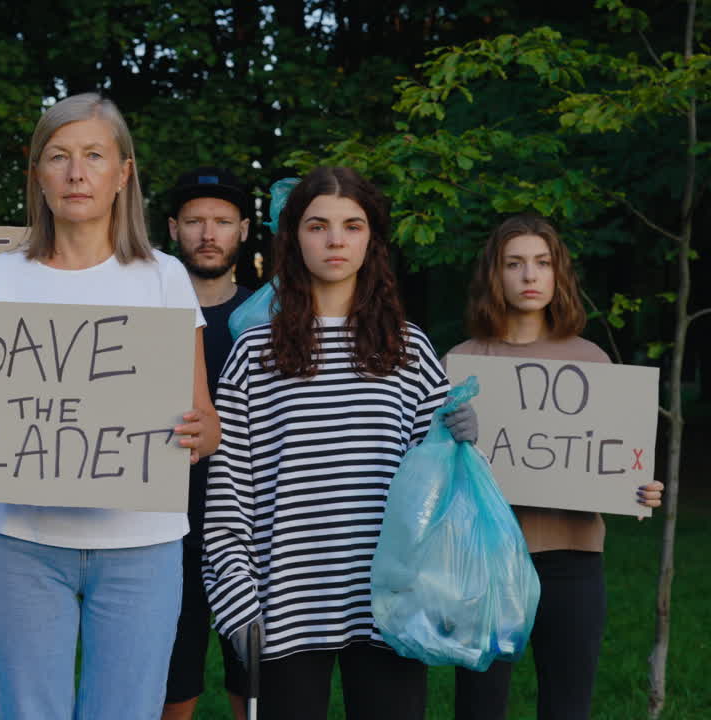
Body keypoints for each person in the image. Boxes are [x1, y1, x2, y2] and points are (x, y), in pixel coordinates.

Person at [0, 92, 222, 720]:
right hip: (17, 545)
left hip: (142, 546)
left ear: (123, 173)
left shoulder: (163, 276)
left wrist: (196, 433)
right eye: (59, 157)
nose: (77, 173)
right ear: (38, 174)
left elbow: (206, 423)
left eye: (94, 156)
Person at [201, 166, 476, 720]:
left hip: (390, 602)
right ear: (293, 238)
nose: (334, 240)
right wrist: (237, 600)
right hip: (283, 604)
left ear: (371, 240)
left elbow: (440, 489)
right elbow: (230, 492)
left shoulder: (409, 349)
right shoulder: (254, 352)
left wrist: (461, 444)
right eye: (317, 225)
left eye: (352, 226)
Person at [449, 214, 664, 720]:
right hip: (485, 560)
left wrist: (639, 488)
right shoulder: (461, 363)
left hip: (573, 560)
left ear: (558, 273)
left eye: (542, 263)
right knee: (479, 707)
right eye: (515, 264)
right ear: (494, 275)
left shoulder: (592, 361)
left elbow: (614, 459)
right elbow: (436, 474)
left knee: (567, 705)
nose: (530, 275)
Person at [161, 167, 255, 720]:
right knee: (174, 673)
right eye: (195, 221)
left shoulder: (271, 317)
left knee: (254, 669)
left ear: (243, 230)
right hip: (168, 519)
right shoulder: (149, 313)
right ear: (174, 229)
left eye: (222, 221)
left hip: (251, 520)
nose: (208, 233)